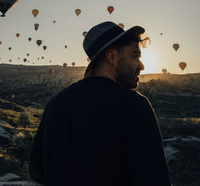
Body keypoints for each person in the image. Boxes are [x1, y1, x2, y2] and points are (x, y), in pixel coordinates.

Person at [29, 21, 173, 186]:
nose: (141, 65)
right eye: (135, 56)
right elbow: (155, 179)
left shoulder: (56, 103)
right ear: (111, 56)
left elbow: (36, 171)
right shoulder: (134, 106)